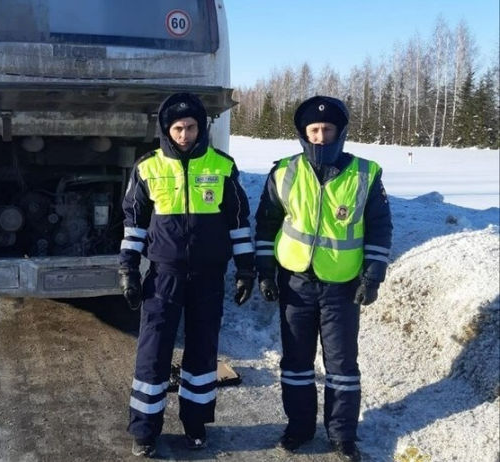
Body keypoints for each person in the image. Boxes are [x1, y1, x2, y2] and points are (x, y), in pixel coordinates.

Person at [254, 95, 393, 462]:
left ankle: (342, 435)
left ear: (339, 132)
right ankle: (299, 427)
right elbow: (266, 224)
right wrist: (265, 271)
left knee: (342, 366)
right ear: (304, 133)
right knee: (296, 363)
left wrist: (372, 277)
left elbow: (380, 229)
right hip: (296, 284)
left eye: (326, 129)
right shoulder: (283, 171)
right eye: (313, 130)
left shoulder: (365, 173)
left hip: (342, 288)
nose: (319, 136)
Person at [118, 92, 255, 458]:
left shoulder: (222, 165)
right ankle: (145, 430)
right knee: (153, 352)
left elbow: (239, 223)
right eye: (177, 128)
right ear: (166, 129)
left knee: (202, 351)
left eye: (191, 126)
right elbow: (134, 225)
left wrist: (246, 269)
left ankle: (195, 425)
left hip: (209, 277)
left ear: (201, 127)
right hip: (164, 275)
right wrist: (128, 268)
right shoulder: (148, 168)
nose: (184, 134)